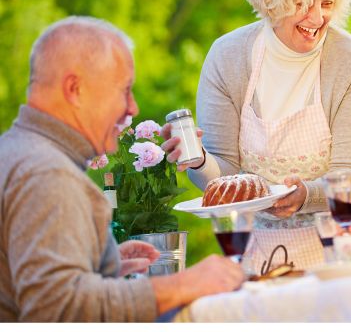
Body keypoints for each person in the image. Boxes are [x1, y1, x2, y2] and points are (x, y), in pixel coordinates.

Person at [0, 17, 243, 321]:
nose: (133, 108)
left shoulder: (13, 151)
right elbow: (57, 309)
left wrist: (100, 266)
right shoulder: (48, 174)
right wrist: (180, 285)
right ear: (75, 89)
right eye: (124, 90)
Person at [161, 0, 351, 272]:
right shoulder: (227, 56)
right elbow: (226, 178)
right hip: (256, 252)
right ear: (273, 1)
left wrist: (306, 195)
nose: (317, 17)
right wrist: (199, 160)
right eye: (303, 4)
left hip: (339, 252)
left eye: (327, 3)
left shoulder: (350, 59)